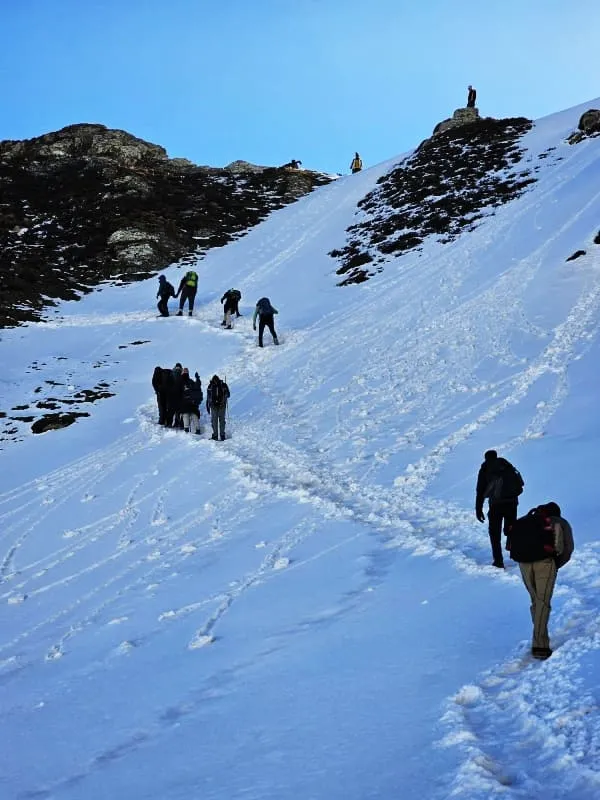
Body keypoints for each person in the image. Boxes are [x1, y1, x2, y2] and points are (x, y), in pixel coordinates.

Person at [510, 502, 574, 660]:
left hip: (523, 564)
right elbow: (566, 549)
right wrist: (555, 565)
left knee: (536, 601)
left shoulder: (528, 519)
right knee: (543, 602)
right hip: (545, 563)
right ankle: (540, 645)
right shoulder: (560, 522)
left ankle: (540, 635)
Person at [475, 449, 524, 568]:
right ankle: (517, 555)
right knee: (511, 529)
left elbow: (480, 490)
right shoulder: (507, 465)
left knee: (494, 533)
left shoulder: (485, 468)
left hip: (496, 505)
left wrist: (478, 509)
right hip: (512, 503)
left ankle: (498, 561)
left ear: (486, 458)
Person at [206, 374, 230, 441]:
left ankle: (215, 436)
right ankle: (222, 435)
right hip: (222, 405)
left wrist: (208, 405)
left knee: (214, 421)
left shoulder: (210, 386)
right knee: (222, 420)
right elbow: (228, 394)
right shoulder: (223, 385)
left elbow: (208, 397)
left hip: (213, 406)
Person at [180, 368, 203, 434]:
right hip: (192, 402)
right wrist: (198, 379)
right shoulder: (191, 381)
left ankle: (186, 430)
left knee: (185, 415)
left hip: (184, 402)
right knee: (194, 415)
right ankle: (198, 430)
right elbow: (197, 387)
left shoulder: (180, 382)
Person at [165, 363, 184, 428]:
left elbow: (167, 385)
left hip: (171, 396)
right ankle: (177, 423)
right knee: (178, 411)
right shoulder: (181, 376)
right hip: (178, 396)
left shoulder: (171, 374)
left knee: (170, 411)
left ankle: (168, 423)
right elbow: (182, 387)